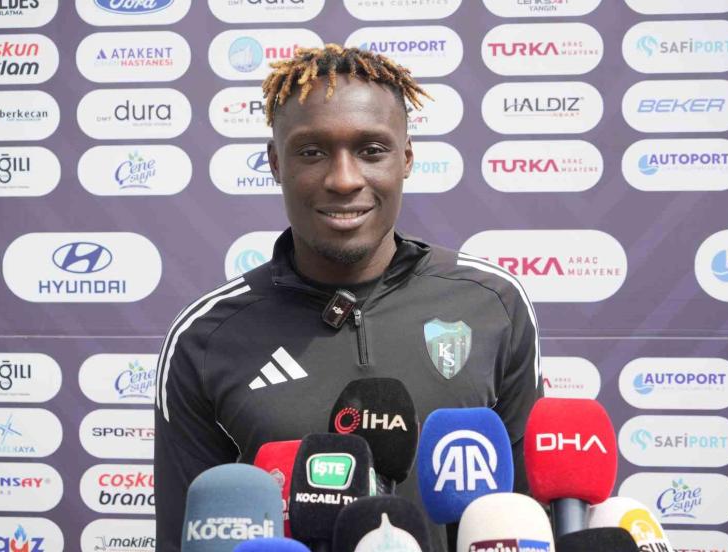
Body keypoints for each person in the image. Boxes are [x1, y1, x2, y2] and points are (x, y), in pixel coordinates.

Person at [154, 44, 541, 551]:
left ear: (406, 158)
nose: (343, 179)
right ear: (275, 162)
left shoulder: (493, 305)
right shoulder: (205, 337)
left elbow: (529, 519)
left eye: (371, 150)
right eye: (312, 152)